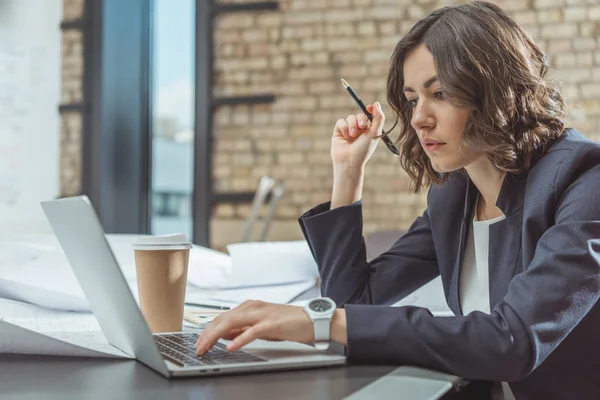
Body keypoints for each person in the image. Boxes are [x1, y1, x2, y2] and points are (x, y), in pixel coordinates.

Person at [195, 1, 600, 398]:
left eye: (439, 93)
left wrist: (318, 322)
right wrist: (348, 173)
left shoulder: (583, 182)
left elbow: (512, 340)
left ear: (495, 91)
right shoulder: (454, 197)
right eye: (411, 99)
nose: (419, 117)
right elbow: (354, 302)